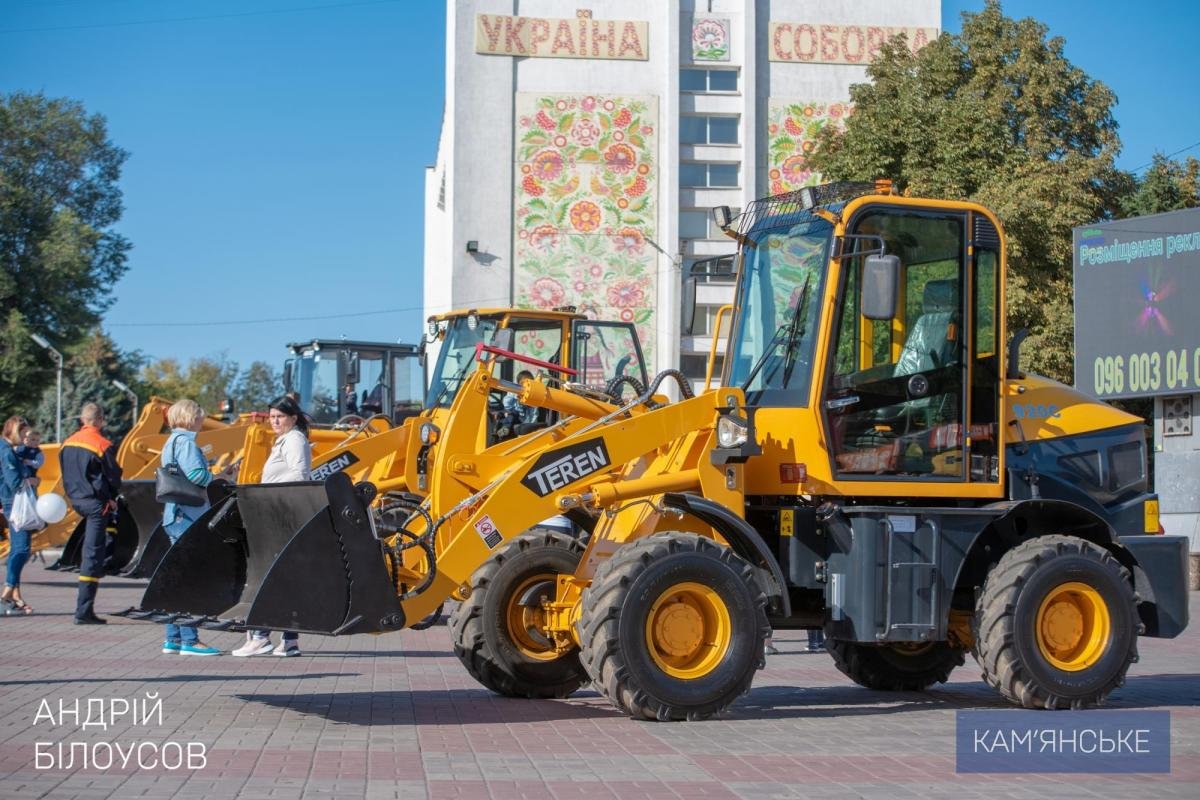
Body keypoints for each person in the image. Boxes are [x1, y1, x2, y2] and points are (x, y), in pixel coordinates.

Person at [232, 395, 311, 657]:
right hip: (279, 511)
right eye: (272, 417)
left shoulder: (295, 440)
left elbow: (300, 474)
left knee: (270, 576)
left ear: (293, 418)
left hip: (284, 515)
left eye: (280, 417)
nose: (274, 421)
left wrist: (268, 488)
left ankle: (261, 636)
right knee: (284, 578)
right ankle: (289, 641)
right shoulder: (285, 440)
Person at [159, 399, 226, 656]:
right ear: (190, 418)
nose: (202, 421)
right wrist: (219, 478)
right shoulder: (187, 443)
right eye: (199, 416)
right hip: (187, 514)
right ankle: (190, 640)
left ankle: (173, 637)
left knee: (178, 579)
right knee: (189, 580)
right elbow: (197, 475)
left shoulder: (171, 442)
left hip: (173, 514)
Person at [60, 403, 122, 625]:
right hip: (97, 504)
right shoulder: (102, 444)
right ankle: (83, 611)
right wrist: (112, 497)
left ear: (83, 420)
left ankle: (84, 609)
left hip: (76, 500)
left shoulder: (67, 443)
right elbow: (114, 476)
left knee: (91, 550)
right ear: (99, 420)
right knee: (92, 555)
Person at [1, 416, 38, 615]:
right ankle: (7, 591)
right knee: (22, 548)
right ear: (15, 431)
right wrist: (31, 479)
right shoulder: (6, 452)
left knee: (18, 548)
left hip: (11, 503)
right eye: (23, 434)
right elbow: (14, 481)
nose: (25, 439)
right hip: (15, 504)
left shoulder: (7, 449)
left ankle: (14, 595)